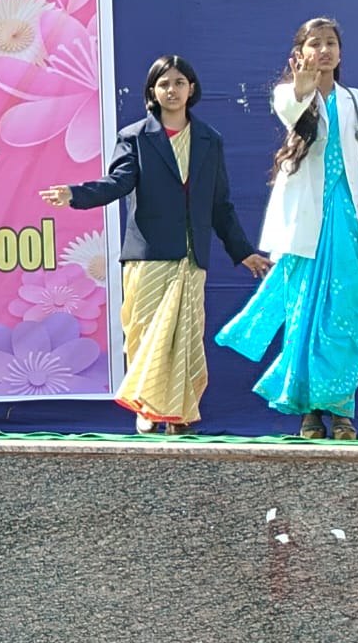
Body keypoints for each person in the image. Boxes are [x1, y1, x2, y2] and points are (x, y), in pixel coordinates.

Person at [41, 55, 273, 435]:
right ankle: (148, 407)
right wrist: (75, 194)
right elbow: (117, 183)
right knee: (147, 334)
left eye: (179, 82)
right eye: (164, 84)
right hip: (149, 257)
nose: (172, 90)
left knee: (185, 338)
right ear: (153, 91)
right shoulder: (135, 137)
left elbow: (220, 206)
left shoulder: (208, 140)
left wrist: (243, 251)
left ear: (191, 89)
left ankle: (180, 413)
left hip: (190, 259)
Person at [216, 18, 358, 440]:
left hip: (348, 220)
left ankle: (342, 409)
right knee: (303, 315)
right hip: (304, 226)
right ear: (300, 53)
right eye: (315, 43)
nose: (324, 50)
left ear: (341, 51)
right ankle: (309, 411)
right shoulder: (289, 94)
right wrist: (303, 88)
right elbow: (292, 109)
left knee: (345, 316)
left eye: (331, 42)